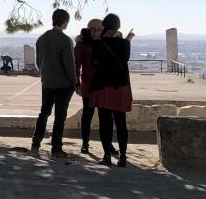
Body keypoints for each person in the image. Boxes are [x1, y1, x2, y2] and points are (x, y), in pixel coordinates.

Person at [89, 13, 135, 167]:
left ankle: (107, 156)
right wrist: (127, 40)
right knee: (121, 123)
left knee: (105, 123)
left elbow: (93, 63)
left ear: (104, 26)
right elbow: (124, 59)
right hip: (120, 87)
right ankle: (123, 157)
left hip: (103, 87)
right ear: (118, 27)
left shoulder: (98, 43)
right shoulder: (124, 44)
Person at [31, 9, 77, 158]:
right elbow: (69, 65)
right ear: (65, 22)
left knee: (44, 113)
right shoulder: (66, 40)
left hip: (47, 82)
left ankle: (35, 144)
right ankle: (56, 149)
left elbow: (38, 62)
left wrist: (45, 75)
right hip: (63, 85)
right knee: (59, 117)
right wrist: (74, 82)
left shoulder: (41, 38)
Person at [73, 20, 112, 156]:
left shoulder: (106, 42)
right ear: (88, 30)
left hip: (104, 86)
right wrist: (77, 83)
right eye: (93, 29)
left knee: (105, 117)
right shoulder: (82, 45)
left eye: (98, 29)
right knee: (87, 115)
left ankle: (108, 145)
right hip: (88, 86)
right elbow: (76, 65)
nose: (96, 32)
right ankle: (85, 143)